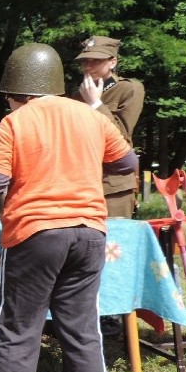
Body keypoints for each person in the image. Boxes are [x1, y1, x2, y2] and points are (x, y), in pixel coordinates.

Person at [0, 43, 137, 372]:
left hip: (35, 234)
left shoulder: (14, 123)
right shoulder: (90, 115)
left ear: (17, 93)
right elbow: (127, 163)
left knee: (18, 328)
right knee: (82, 330)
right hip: (89, 233)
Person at [73, 35, 145, 339]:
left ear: (113, 61)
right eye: (86, 61)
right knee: (81, 251)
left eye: (97, 61)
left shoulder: (130, 89)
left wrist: (96, 104)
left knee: (112, 252)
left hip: (112, 186)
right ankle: (83, 311)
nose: (89, 67)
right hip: (79, 182)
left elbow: (122, 137)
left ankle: (114, 316)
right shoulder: (74, 93)